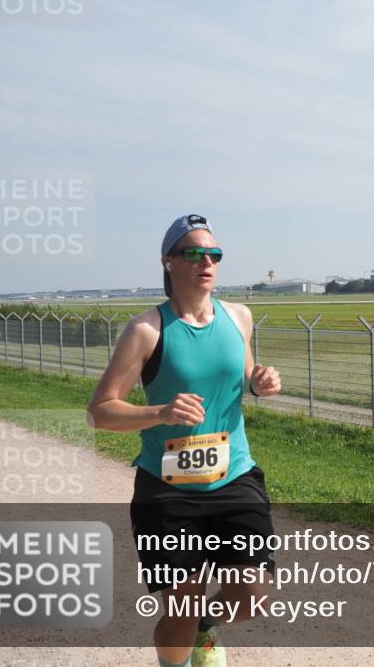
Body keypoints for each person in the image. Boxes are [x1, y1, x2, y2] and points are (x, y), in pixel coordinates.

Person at [87, 213, 282, 667]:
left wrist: (260, 381)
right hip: (168, 488)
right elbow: (100, 412)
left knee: (252, 593)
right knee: (182, 604)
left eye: (213, 254)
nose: (206, 262)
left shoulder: (239, 316)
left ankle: (206, 629)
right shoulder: (146, 331)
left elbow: (244, 376)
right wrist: (160, 412)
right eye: (193, 253)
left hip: (234, 476)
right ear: (168, 262)